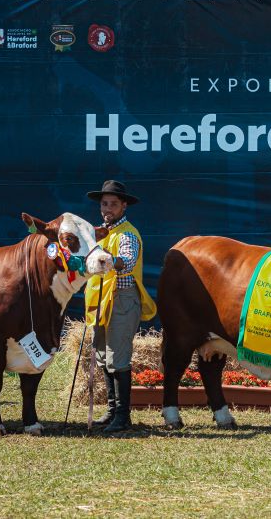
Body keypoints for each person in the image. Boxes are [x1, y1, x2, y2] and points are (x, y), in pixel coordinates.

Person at [84, 180, 156, 433]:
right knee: (104, 355)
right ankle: (113, 411)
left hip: (122, 297)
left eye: (113, 204)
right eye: (104, 204)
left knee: (118, 356)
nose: (108, 209)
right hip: (103, 299)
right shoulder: (100, 233)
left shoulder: (126, 233)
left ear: (124, 206)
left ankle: (123, 416)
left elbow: (127, 260)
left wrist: (108, 260)